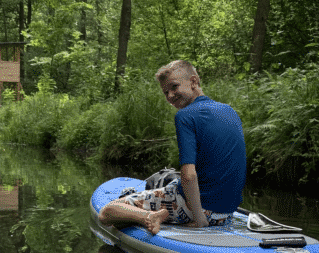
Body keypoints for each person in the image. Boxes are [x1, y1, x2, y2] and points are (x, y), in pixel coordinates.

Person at [98, 60, 246, 234]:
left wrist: (200, 220)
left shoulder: (185, 116)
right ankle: (164, 207)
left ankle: (149, 216)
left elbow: (189, 176)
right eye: (165, 92)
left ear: (193, 81)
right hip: (226, 213)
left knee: (108, 212)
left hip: (199, 211)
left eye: (174, 87)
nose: (170, 96)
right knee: (170, 183)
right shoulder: (229, 111)